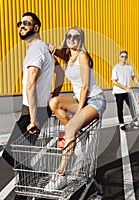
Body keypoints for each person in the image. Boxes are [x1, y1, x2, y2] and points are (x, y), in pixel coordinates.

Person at [1, 12, 64, 200]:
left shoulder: (36, 49)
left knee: (12, 155)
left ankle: (34, 178)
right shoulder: (45, 48)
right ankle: (28, 185)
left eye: (26, 23)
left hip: (31, 112)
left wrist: (34, 119)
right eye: (20, 23)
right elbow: (60, 75)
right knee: (22, 157)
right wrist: (53, 97)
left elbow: (31, 84)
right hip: (40, 109)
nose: (21, 26)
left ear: (36, 28)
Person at [45, 27, 106, 190]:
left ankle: (61, 174)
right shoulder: (68, 56)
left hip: (94, 100)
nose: (72, 39)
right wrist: (51, 47)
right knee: (54, 103)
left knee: (70, 127)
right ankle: (77, 135)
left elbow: (85, 85)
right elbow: (58, 51)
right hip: (80, 99)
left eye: (76, 37)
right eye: (69, 36)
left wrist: (79, 110)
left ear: (81, 40)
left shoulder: (83, 56)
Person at [111, 51, 139, 130]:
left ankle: (135, 121)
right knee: (120, 108)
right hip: (119, 92)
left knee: (132, 107)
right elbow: (114, 81)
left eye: (125, 57)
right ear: (119, 57)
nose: (124, 58)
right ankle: (121, 123)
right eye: (122, 56)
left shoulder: (129, 67)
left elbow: (133, 77)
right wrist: (124, 87)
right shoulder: (116, 68)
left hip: (127, 91)